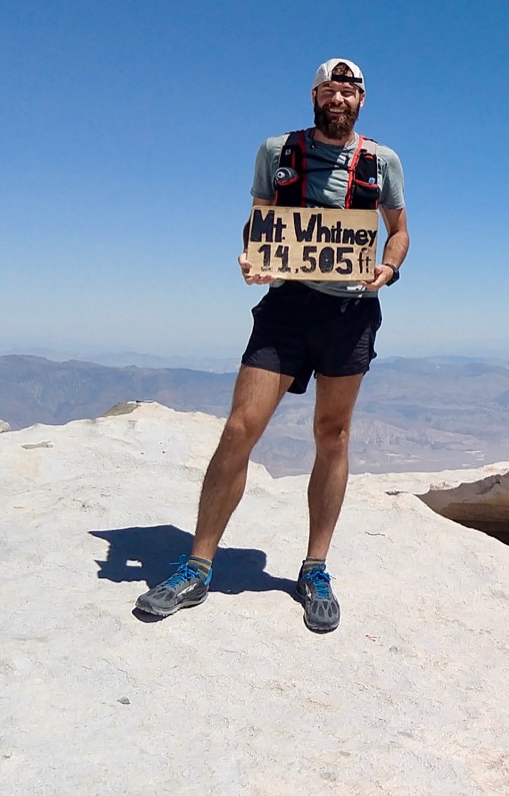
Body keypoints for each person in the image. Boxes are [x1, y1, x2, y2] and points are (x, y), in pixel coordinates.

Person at [136, 57, 408, 632]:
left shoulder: (381, 161)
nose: (340, 96)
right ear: (314, 94)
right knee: (240, 428)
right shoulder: (277, 151)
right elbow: (259, 219)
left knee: (332, 434)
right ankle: (197, 564)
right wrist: (250, 255)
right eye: (331, 88)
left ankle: (315, 567)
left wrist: (388, 267)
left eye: (350, 89)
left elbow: (399, 229)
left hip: (351, 311)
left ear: (362, 101)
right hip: (286, 306)